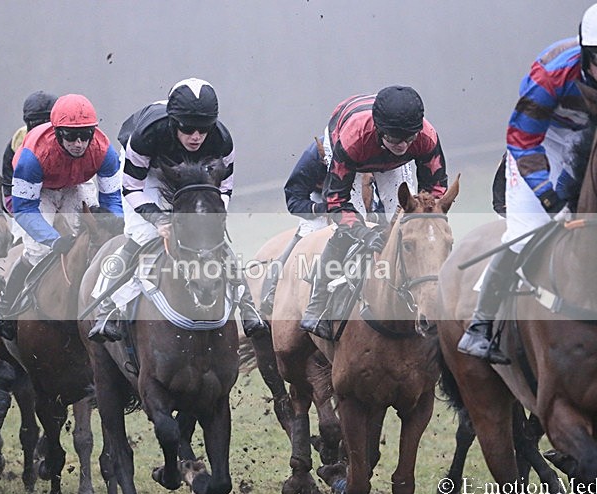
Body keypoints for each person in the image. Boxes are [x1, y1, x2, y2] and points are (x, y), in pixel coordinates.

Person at [458, 0, 597, 364]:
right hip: (542, 141)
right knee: (525, 232)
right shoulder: (552, 75)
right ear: (585, 51)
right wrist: (550, 199)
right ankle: (481, 324)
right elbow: (522, 140)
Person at [87, 77, 268, 343]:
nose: (196, 137)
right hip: (147, 173)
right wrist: (158, 219)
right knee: (142, 236)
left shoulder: (221, 139)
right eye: (188, 129)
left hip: (192, 174)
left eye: (203, 130)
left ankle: (247, 305)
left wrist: (211, 220)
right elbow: (131, 188)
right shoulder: (147, 135)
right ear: (174, 122)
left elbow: (225, 188)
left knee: (211, 237)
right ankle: (107, 308)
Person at [300, 86, 448, 340]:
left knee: (406, 224)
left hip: (390, 162)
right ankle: (318, 302)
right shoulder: (353, 140)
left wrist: (425, 221)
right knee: (350, 231)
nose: (403, 145)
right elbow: (337, 201)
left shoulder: (426, 136)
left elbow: (435, 191)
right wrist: (363, 234)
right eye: (396, 139)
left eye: (409, 138)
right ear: (380, 130)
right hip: (351, 151)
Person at [0, 93, 123, 340]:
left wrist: (113, 226)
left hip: (76, 184)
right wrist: (52, 239)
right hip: (40, 192)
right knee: (38, 251)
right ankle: (6, 307)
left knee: (95, 241)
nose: (79, 143)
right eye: (71, 136)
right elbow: (24, 209)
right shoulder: (32, 157)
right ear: (56, 132)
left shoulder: (105, 151)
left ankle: (102, 308)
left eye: (85, 135)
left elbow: (112, 200)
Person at [260, 135, 379, 315]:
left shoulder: (371, 149)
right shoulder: (313, 157)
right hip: (321, 201)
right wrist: (321, 209)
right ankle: (273, 290)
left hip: (354, 197)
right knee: (308, 232)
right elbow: (293, 199)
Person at [1, 91, 58, 212]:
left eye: (47, 124)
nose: (42, 130)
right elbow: (9, 188)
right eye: (36, 124)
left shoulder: (71, 139)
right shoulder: (17, 142)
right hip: (32, 196)